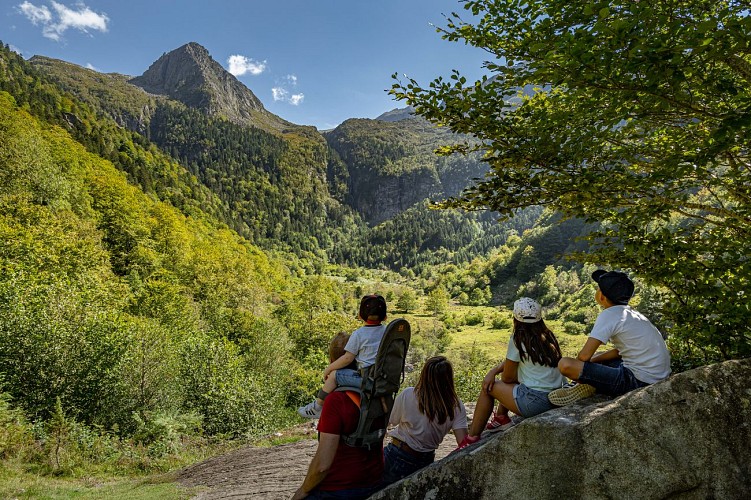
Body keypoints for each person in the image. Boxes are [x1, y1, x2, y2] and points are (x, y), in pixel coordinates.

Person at [548, 270, 671, 406]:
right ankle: (592, 384)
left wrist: (583, 371)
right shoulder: (632, 314)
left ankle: (584, 385)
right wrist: (594, 362)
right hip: (656, 376)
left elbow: (583, 356)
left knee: (565, 364)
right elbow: (619, 352)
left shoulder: (609, 315)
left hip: (637, 381)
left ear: (601, 296)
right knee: (601, 356)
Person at [456, 297, 564, 450]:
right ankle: (500, 417)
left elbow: (507, 378)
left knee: (489, 387)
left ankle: (471, 438)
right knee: (512, 380)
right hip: (555, 398)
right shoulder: (548, 336)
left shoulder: (518, 338)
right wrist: (495, 370)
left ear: (515, 318)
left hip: (535, 402)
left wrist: (492, 374)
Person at [382, 356, 468, 486]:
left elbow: (390, 421)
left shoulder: (409, 394)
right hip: (426, 460)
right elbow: (463, 442)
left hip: (399, 454)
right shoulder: (455, 405)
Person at [298, 294, 388, 419]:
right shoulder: (388, 332)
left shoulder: (359, 334)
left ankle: (318, 407)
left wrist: (329, 369)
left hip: (367, 380)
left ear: (360, 315)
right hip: (385, 378)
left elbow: (347, 358)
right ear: (384, 316)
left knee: (335, 375)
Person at [291, 388, 384, 499]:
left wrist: (303, 490)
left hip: (339, 487)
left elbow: (322, 467)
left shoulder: (337, 400)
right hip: (374, 481)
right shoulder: (381, 395)